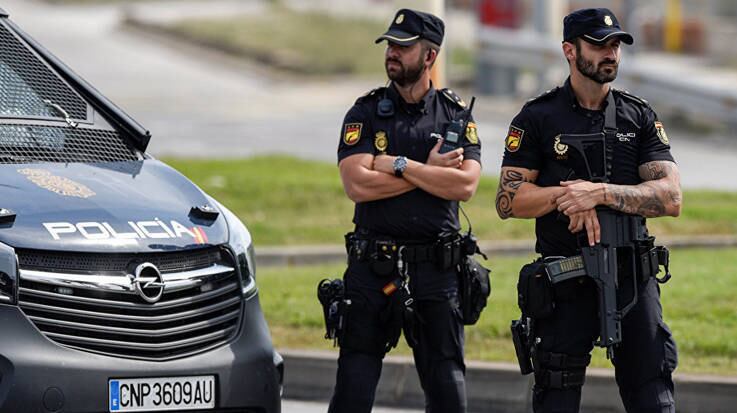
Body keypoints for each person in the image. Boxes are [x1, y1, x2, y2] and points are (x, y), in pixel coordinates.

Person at [496, 8, 681, 413]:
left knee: (653, 394)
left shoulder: (639, 115)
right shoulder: (537, 117)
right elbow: (508, 201)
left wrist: (599, 193)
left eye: (615, 45)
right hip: (566, 279)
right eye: (599, 44)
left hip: (633, 277)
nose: (610, 53)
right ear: (569, 50)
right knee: (556, 396)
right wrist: (566, 197)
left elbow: (671, 197)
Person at [329, 8, 482, 413]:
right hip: (372, 271)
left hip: (436, 272)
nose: (392, 53)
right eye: (390, 45)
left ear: (429, 56)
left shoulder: (454, 116)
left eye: (403, 46)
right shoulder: (365, 112)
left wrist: (401, 165)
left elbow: (464, 185)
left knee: (449, 393)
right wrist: (432, 174)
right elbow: (356, 184)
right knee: (352, 391)